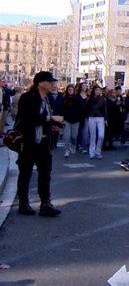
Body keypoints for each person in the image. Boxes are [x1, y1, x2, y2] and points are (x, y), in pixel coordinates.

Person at [15, 71, 64, 217]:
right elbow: (30, 118)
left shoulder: (46, 99)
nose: (53, 84)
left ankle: (45, 203)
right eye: (50, 82)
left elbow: (42, 120)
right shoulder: (28, 98)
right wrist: (51, 118)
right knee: (26, 172)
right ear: (41, 83)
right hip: (29, 142)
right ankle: (23, 203)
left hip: (43, 142)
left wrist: (52, 126)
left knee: (45, 173)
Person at [56, 84, 80, 158]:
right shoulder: (64, 99)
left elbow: (80, 109)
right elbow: (60, 108)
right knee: (67, 136)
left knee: (74, 136)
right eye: (69, 90)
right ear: (67, 90)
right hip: (66, 120)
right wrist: (61, 117)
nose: (70, 91)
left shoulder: (77, 99)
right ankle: (66, 150)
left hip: (75, 120)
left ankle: (73, 144)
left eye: (72, 90)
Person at [85, 85, 107, 159]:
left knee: (101, 135)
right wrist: (87, 116)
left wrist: (106, 119)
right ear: (93, 91)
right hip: (92, 117)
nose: (97, 91)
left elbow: (105, 110)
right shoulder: (90, 99)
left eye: (99, 90)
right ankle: (92, 152)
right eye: (96, 90)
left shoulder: (103, 99)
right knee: (92, 135)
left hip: (100, 117)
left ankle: (98, 150)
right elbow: (87, 108)